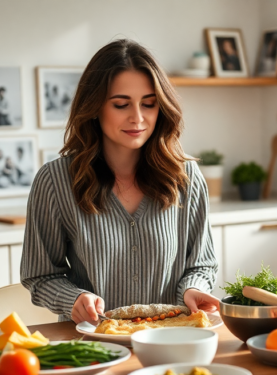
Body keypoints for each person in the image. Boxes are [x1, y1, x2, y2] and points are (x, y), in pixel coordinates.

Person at [21, 39, 219, 325]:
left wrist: (193, 288)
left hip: (172, 340)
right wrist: (73, 299)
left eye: (149, 104)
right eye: (121, 104)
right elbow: (39, 275)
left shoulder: (186, 176)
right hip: (94, 345)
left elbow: (201, 263)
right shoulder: (54, 181)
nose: (137, 118)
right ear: (95, 107)